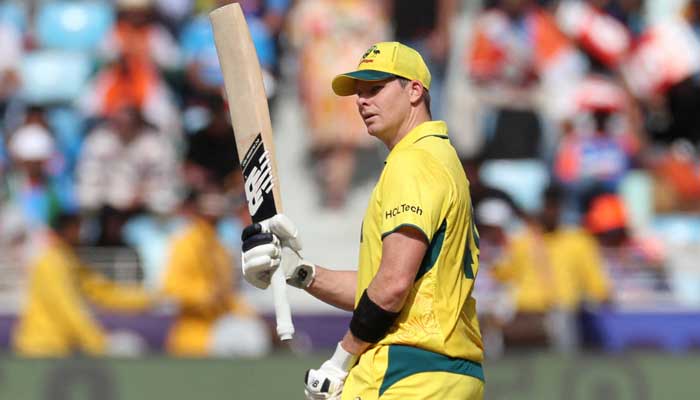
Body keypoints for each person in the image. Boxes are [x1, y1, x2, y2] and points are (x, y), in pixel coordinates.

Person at [241, 42, 484, 399]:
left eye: (376, 89)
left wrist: (339, 360)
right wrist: (298, 271)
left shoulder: (413, 162)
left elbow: (392, 285)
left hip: (408, 371)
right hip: (449, 372)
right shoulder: (440, 158)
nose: (361, 101)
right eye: (359, 93)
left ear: (414, 90)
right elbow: (386, 285)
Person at [12, 212, 154, 357]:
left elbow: (104, 291)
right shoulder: (51, 263)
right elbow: (67, 306)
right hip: (40, 348)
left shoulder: (69, 259)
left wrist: (151, 299)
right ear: (69, 229)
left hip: (58, 348)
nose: (82, 234)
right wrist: (98, 342)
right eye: (79, 228)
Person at [161, 185, 270, 357]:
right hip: (193, 337)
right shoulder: (184, 241)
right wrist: (206, 295)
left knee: (252, 334)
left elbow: (228, 297)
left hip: (220, 331)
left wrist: (251, 315)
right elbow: (171, 287)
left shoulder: (221, 248)